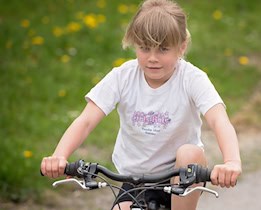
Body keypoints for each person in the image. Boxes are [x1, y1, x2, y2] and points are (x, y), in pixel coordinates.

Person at [40, 0, 242, 209]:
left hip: (181, 177)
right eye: (145, 48)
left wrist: (232, 162)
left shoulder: (192, 79)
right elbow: (86, 121)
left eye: (163, 49)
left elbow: (219, 121)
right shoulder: (122, 76)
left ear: (181, 47)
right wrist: (59, 156)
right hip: (135, 179)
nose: (152, 58)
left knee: (189, 153)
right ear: (135, 44)